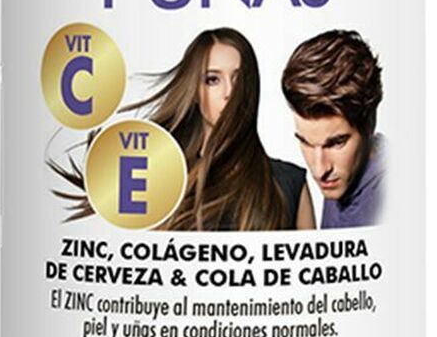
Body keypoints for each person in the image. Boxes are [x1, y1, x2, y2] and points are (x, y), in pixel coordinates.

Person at [51, 28, 314, 231]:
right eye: (212, 80)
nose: (229, 92)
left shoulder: (289, 182)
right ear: (195, 92)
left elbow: (310, 280)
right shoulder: (162, 178)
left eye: (239, 79)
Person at [280, 30, 386, 228]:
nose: (320, 170)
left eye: (336, 144)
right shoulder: (343, 178)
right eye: (306, 143)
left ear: (370, 123)